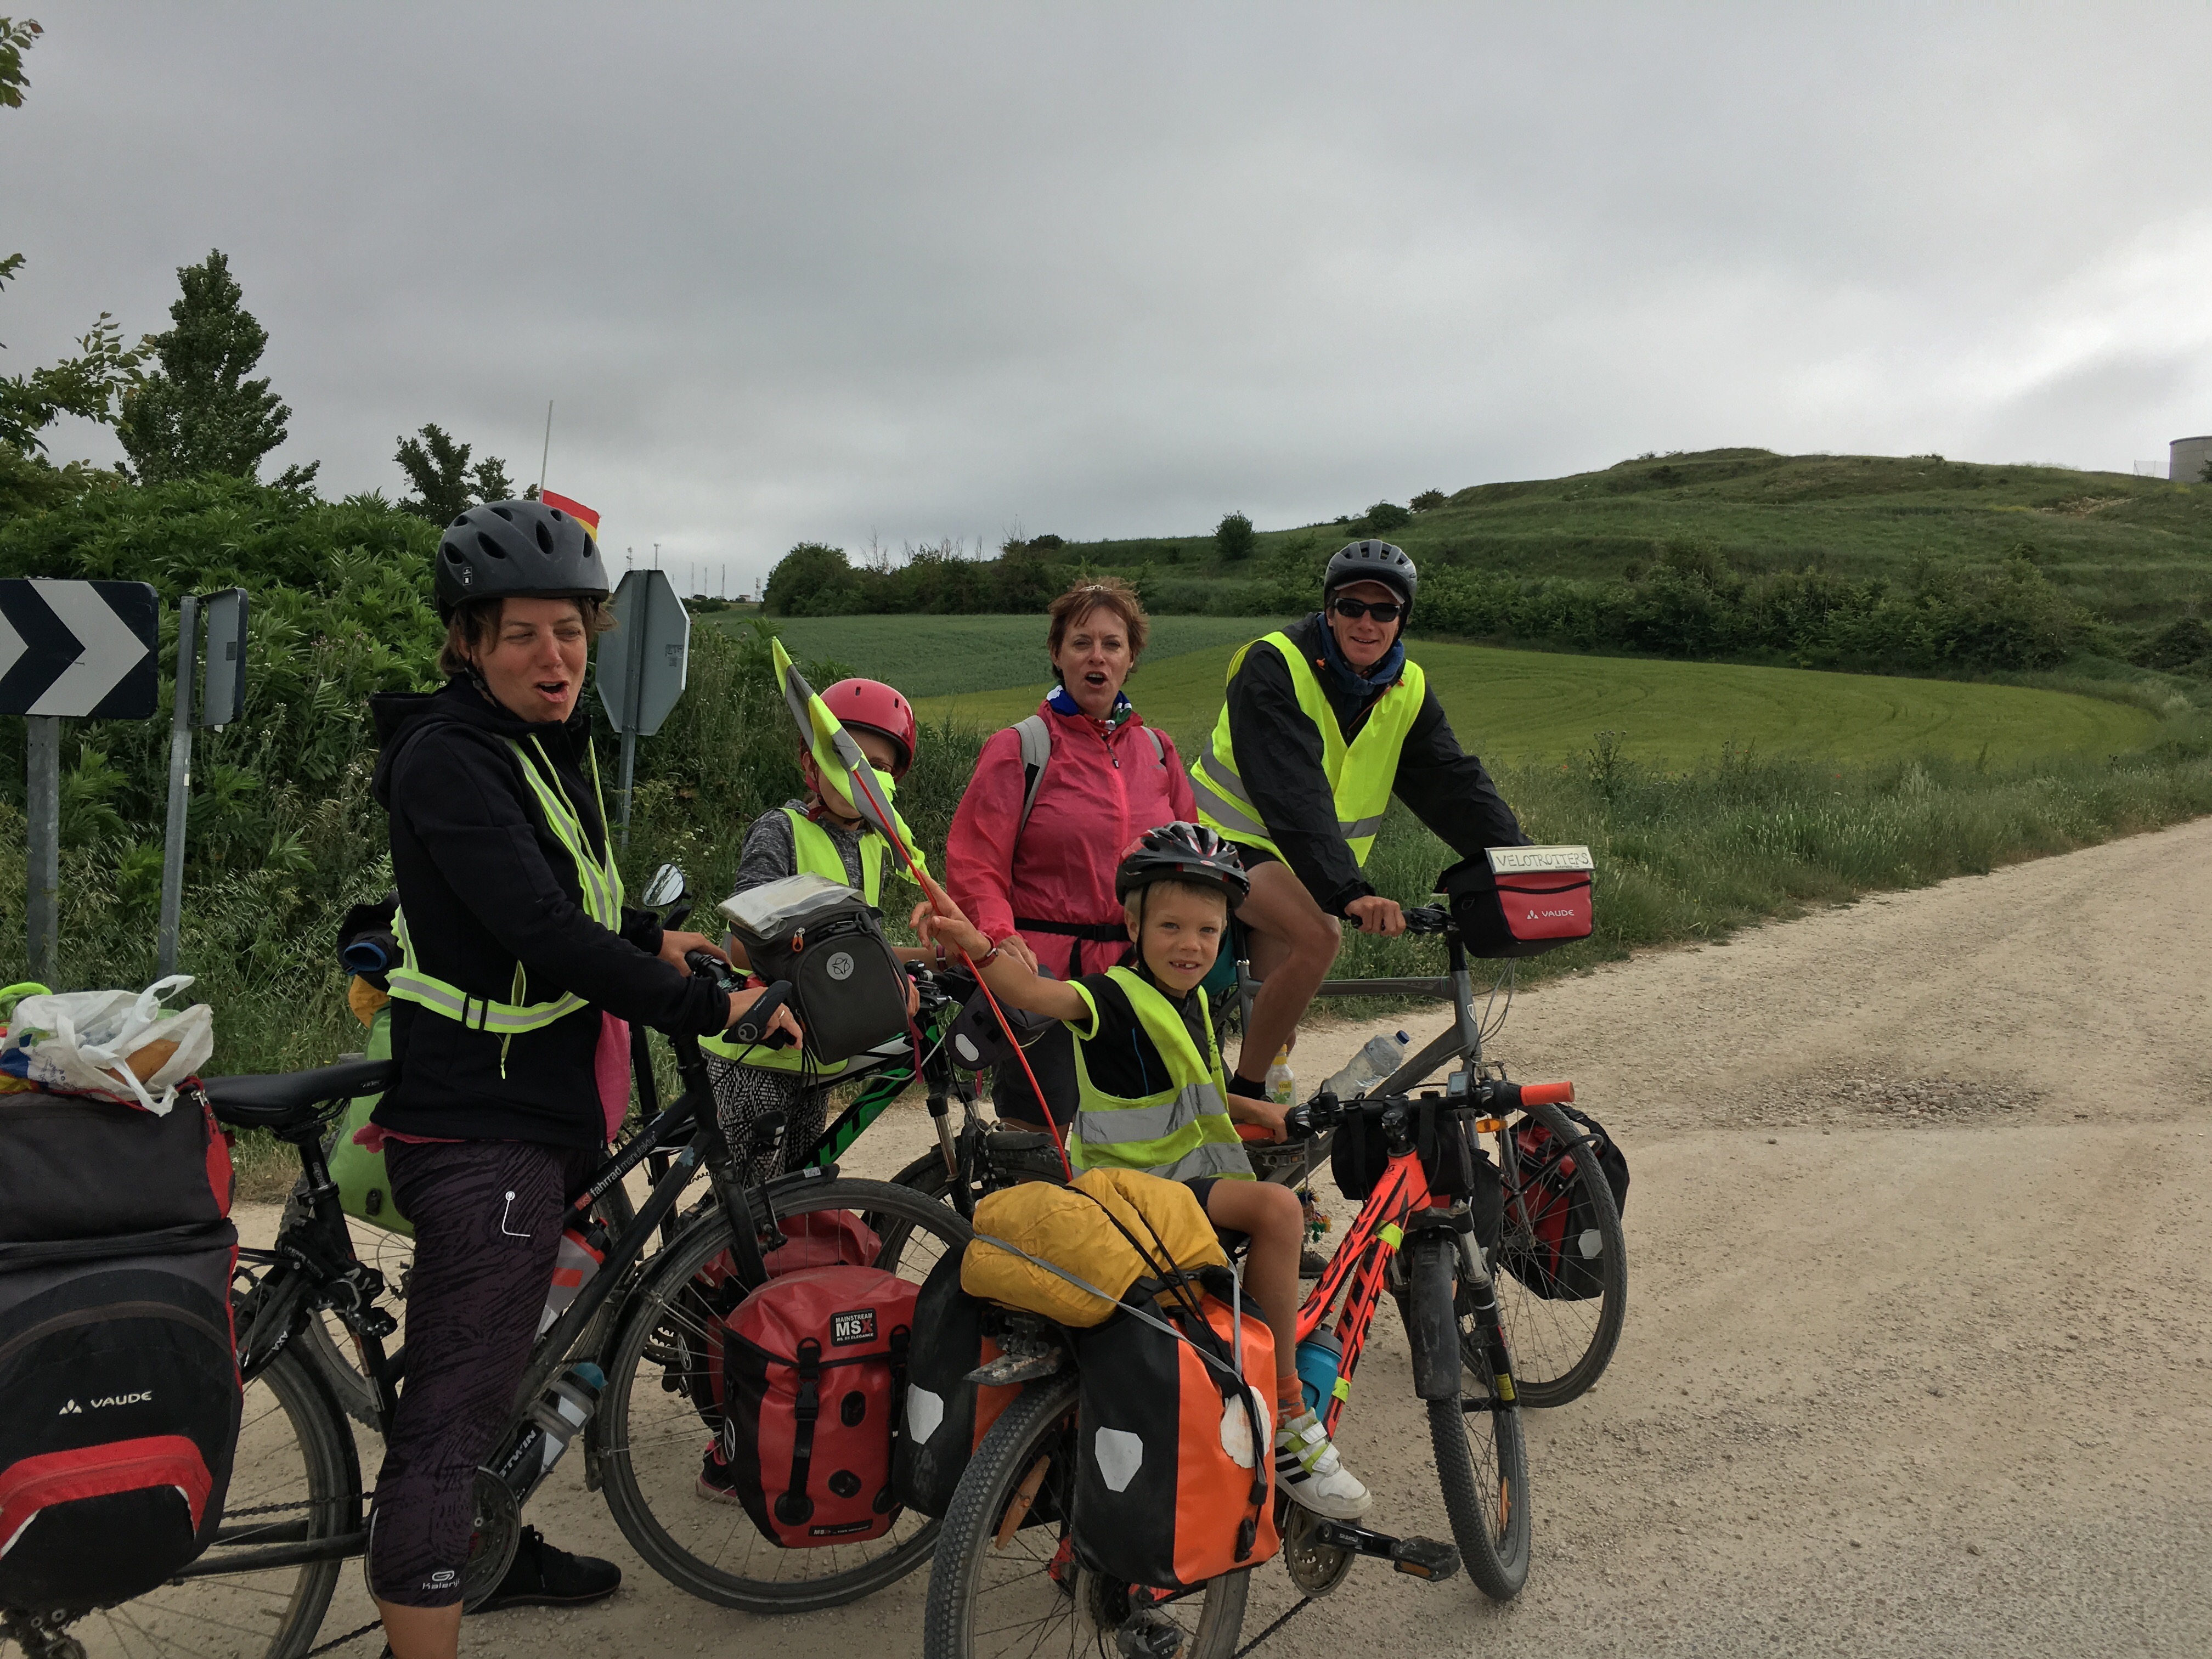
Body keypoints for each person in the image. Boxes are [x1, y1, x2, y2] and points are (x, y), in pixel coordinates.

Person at [366, 499, 798, 1659]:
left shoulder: (530, 744)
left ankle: (494, 1546)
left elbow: (563, 901)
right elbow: (544, 932)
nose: (553, 657)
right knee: (449, 1421)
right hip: (482, 1125)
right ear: (469, 641)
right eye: (522, 634)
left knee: (562, 1331)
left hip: (544, 1105)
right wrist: (713, 1005)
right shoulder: (451, 758)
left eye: (570, 631)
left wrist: (656, 940)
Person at [914, 822, 1372, 1520]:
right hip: (1137, 1197)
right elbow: (1034, 993)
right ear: (1133, 926)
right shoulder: (1111, 996)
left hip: (1175, 1190)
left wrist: (1263, 1110)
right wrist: (979, 946)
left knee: (1273, 1199)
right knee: (1279, 1211)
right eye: (1170, 927)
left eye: (1208, 932)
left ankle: (1246, 1364)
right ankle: (1285, 1414)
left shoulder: (1189, 1001)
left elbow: (1199, 1086)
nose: (1191, 945)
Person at [1187, 540, 1525, 1097]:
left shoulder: (1406, 686)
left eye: (1384, 610)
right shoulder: (1274, 663)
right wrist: (1349, 891)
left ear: (1401, 620)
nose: (1367, 623)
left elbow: (1452, 782)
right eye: (1352, 607)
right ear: (1329, 610)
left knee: (1277, 1030)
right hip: (1225, 839)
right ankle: (1246, 1102)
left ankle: (1258, 1115)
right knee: (1318, 938)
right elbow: (1292, 790)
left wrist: (1521, 858)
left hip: (1302, 859)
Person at [943, 577, 1194, 1133]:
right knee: (1041, 1142)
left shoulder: (1158, 751)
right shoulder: (1023, 747)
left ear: (1131, 658)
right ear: (1058, 655)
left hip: (1137, 980)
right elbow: (975, 862)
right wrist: (998, 936)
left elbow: (1190, 867)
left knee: (1143, 1137)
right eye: (1082, 643)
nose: (1097, 656)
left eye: (1112, 643)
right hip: (1044, 978)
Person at [700, 675, 928, 1189]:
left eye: (879, 768)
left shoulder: (874, 846)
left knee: (796, 1196)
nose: (861, 777)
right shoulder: (781, 830)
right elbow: (743, 943)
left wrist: (935, 960)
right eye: (846, 760)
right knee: (749, 1201)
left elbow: (856, 948)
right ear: (811, 762)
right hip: (756, 1053)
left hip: (816, 1055)